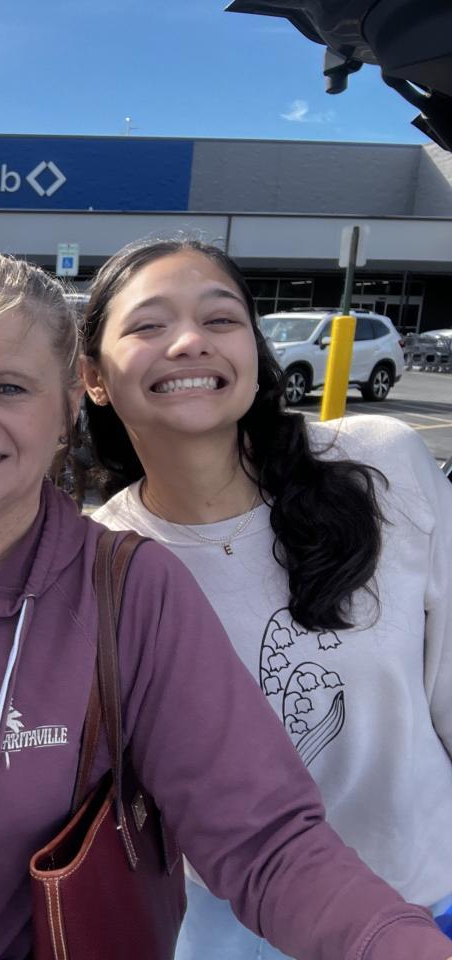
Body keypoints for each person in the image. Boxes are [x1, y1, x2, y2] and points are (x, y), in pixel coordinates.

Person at [0, 252, 452, 960]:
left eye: (11, 388)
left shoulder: (123, 587)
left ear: (67, 407)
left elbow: (263, 836)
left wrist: (399, 945)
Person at [78, 238, 452, 957]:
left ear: (254, 349)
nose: (190, 342)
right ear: (94, 377)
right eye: (149, 325)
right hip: (223, 928)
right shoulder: (101, 559)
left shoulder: (382, 463)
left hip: (425, 903)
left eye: (221, 319)